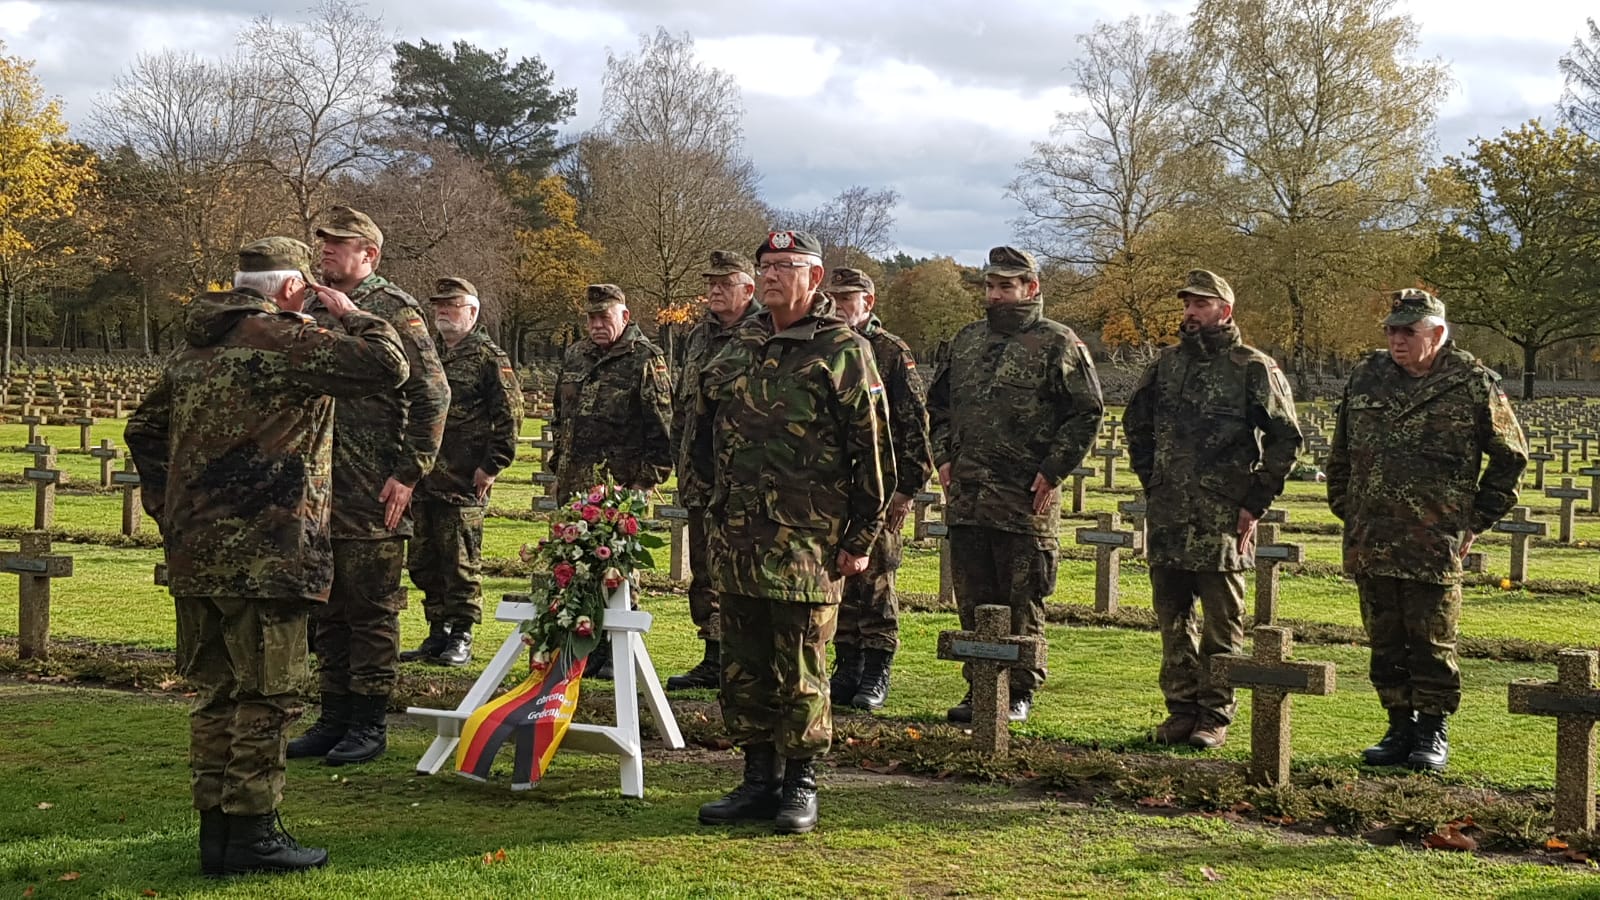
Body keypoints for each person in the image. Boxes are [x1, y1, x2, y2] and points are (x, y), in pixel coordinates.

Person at [126, 237, 408, 876]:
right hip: (272, 553)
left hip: (198, 555)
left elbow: (144, 430)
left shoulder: (195, 348)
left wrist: (168, 505)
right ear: (291, 290)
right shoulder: (282, 341)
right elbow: (389, 365)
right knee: (267, 696)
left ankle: (217, 832)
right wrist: (346, 310)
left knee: (217, 693)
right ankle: (254, 832)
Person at [691, 231, 892, 834]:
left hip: (806, 542)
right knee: (743, 667)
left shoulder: (843, 350)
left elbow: (873, 454)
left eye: (785, 266)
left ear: (815, 276)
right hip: (737, 535)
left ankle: (800, 783)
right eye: (765, 266)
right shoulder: (739, 346)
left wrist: (859, 540)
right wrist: (707, 502)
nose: (772, 275)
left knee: (800, 664)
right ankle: (757, 780)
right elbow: (701, 424)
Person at [1327, 288, 1528, 772]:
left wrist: (1475, 520)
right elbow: (1341, 452)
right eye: (1392, 330)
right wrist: (1347, 508)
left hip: (1433, 538)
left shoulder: (1472, 382)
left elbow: (1510, 457)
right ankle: (1398, 725)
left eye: (1408, 331)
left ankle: (1432, 728)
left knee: (1432, 638)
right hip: (1372, 536)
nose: (1397, 339)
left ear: (1437, 334)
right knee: (1385, 637)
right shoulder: (1367, 376)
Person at [287, 205, 450, 766]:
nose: (325, 249)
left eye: (338, 243)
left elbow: (432, 394)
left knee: (371, 608)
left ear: (369, 254)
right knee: (325, 606)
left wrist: (408, 473)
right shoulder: (309, 306)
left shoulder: (393, 309)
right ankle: (331, 716)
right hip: (316, 487)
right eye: (323, 241)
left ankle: (369, 722)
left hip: (372, 485)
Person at [1124, 269, 1303, 750]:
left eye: (1201, 304)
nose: (1190, 312)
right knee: (1173, 619)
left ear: (1225, 311)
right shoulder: (1165, 366)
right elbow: (1135, 425)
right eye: (1187, 304)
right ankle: (1181, 709)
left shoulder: (1251, 367)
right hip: (1168, 514)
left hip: (1221, 518)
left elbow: (1286, 438)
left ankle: (1215, 714)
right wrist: (1153, 479)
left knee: (1223, 621)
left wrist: (1254, 500)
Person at [927, 246, 1103, 724]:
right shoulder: (965, 342)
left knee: (1022, 596)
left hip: (1024, 499)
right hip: (967, 496)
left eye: (1006, 286)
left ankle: (1020, 688)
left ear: (1031, 288)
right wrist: (943, 458)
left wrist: (1054, 469)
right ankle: (981, 684)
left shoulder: (1058, 343)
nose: (996, 295)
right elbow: (937, 408)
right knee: (974, 595)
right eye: (989, 286)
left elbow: (1085, 413)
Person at [821, 266, 934, 710]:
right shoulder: (826, 346)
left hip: (881, 484)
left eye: (848, 298)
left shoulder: (889, 351)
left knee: (876, 578)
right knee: (842, 580)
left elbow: (912, 423)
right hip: (835, 486)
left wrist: (907, 488)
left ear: (868, 303)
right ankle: (846, 665)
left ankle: (876, 668)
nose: (839, 305)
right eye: (833, 297)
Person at [549, 282, 673, 678]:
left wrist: (643, 484)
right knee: (572, 571)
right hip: (575, 485)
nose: (597, 324)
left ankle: (617, 652)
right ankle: (579, 646)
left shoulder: (645, 360)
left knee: (615, 573)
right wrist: (558, 465)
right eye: (591, 317)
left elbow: (663, 430)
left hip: (619, 490)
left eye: (605, 316)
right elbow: (560, 414)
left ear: (625, 316)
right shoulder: (575, 356)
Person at [401, 277, 523, 666]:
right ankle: (436, 631)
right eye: (438, 306)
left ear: (472, 311)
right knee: (424, 559)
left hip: (464, 476)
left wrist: (491, 466)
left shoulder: (488, 357)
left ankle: (462, 634)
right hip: (424, 476)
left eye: (451, 306)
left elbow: (510, 416)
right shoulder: (428, 354)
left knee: (460, 560)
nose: (442, 313)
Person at [666, 250, 763, 691]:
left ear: (749, 287)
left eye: (725, 283)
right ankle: (713, 655)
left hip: (745, 481)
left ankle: (746, 661)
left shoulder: (765, 333)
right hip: (699, 478)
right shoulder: (697, 337)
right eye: (711, 283)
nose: (715, 290)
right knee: (704, 569)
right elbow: (686, 410)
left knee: (744, 571)